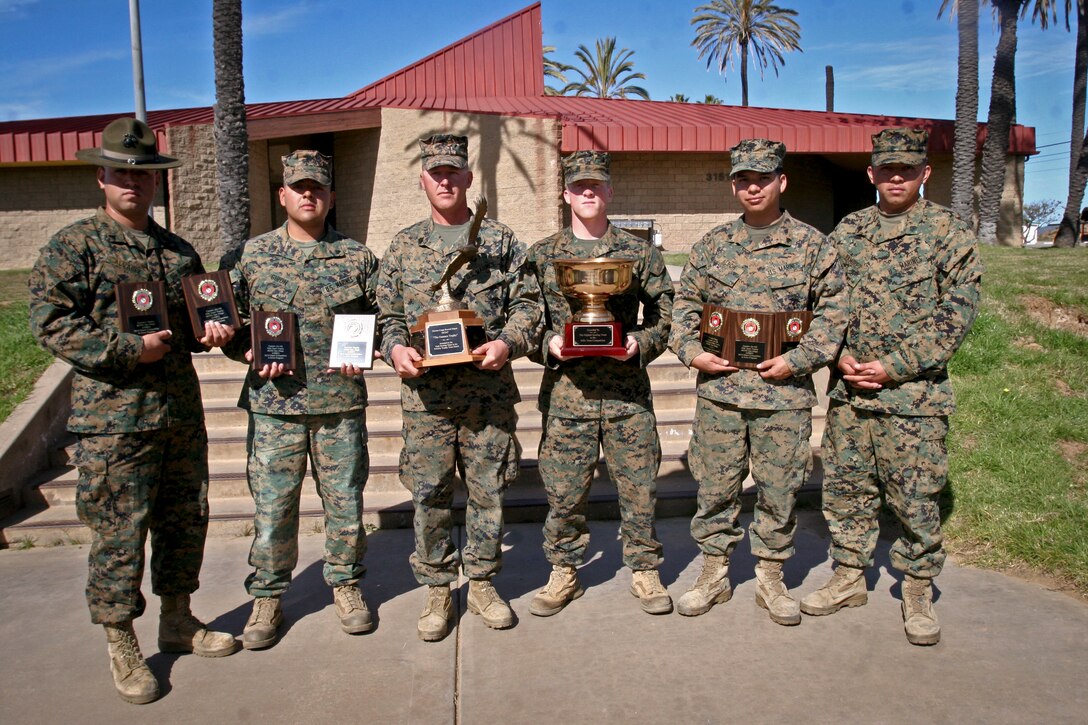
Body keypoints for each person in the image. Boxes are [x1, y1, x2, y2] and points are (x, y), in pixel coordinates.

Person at [28, 117, 238, 705]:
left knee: (183, 520)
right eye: (123, 173)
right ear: (102, 176)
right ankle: (122, 642)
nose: (134, 184)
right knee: (119, 533)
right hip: (115, 420)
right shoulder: (75, 245)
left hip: (176, 413)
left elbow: (197, 323)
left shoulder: (176, 252)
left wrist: (216, 333)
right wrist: (126, 350)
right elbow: (50, 321)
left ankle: (178, 618)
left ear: (156, 183)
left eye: (144, 175)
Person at [800, 128, 981, 646]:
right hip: (851, 395)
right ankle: (849, 576)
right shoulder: (848, 232)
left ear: (924, 173)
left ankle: (918, 588)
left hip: (913, 399)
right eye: (887, 169)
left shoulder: (949, 233)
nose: (896, 177)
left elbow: (956, 315)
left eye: (907, 169)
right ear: (871, 174)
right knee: (847, 491)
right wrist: (837, 354)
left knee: (916, 497)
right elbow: (822, 304)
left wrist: (894, 366)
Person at [668, 138, 845, 625]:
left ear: (781, 182)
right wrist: (693, 353)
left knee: (780, 490)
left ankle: (770, 577)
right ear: (733, 185)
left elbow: (833, 314)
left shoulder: (812, 246)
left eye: (762, 178)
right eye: (743, 179)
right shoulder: (712, 246)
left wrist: (800, 360)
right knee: (715, 490)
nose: (752, 187)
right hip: (721, 397)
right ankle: (714, 574)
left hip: (783, 397)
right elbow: (683, 309)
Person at [376, 134, 542, 641]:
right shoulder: (404, 246)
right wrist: (396, 350)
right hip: (427, 400)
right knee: (429, 494)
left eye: (453, 172)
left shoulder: (502, 241)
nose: (445, 180)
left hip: (486, 395)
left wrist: (507, 345)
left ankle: (485, 583)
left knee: (488, 493)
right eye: (435, 173)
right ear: (423, 180)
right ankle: (437, 587)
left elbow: (529, 306)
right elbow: (387, 316)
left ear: (469, 178)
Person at [219, 151, 380, 649]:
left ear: (331, 197)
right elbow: (226, 320)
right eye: (298, 187)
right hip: (275, 406)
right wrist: (243, 349)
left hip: (338, 404)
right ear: (282, 195)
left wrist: (369, 350)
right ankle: (267, 595)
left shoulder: (357, 257)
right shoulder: (252, 256)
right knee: (273, 508)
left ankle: (347, 586)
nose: (308, 195)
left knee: (344, 504)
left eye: (318, 188)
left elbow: (382, 318)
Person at [525, 150, 674, 616]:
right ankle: (564, 569)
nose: (588, 192)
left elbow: (667, 312)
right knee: (563, 492)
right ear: (566, 193)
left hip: (627, 396)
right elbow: (525, 317)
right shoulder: (542, 255)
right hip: (569, 397)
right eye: (579, 185)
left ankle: (645, 569)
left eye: (597, 185)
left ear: (609, 191)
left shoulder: (639, 253)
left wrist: (640, 343)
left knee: (639, 487)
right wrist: (547, 342)